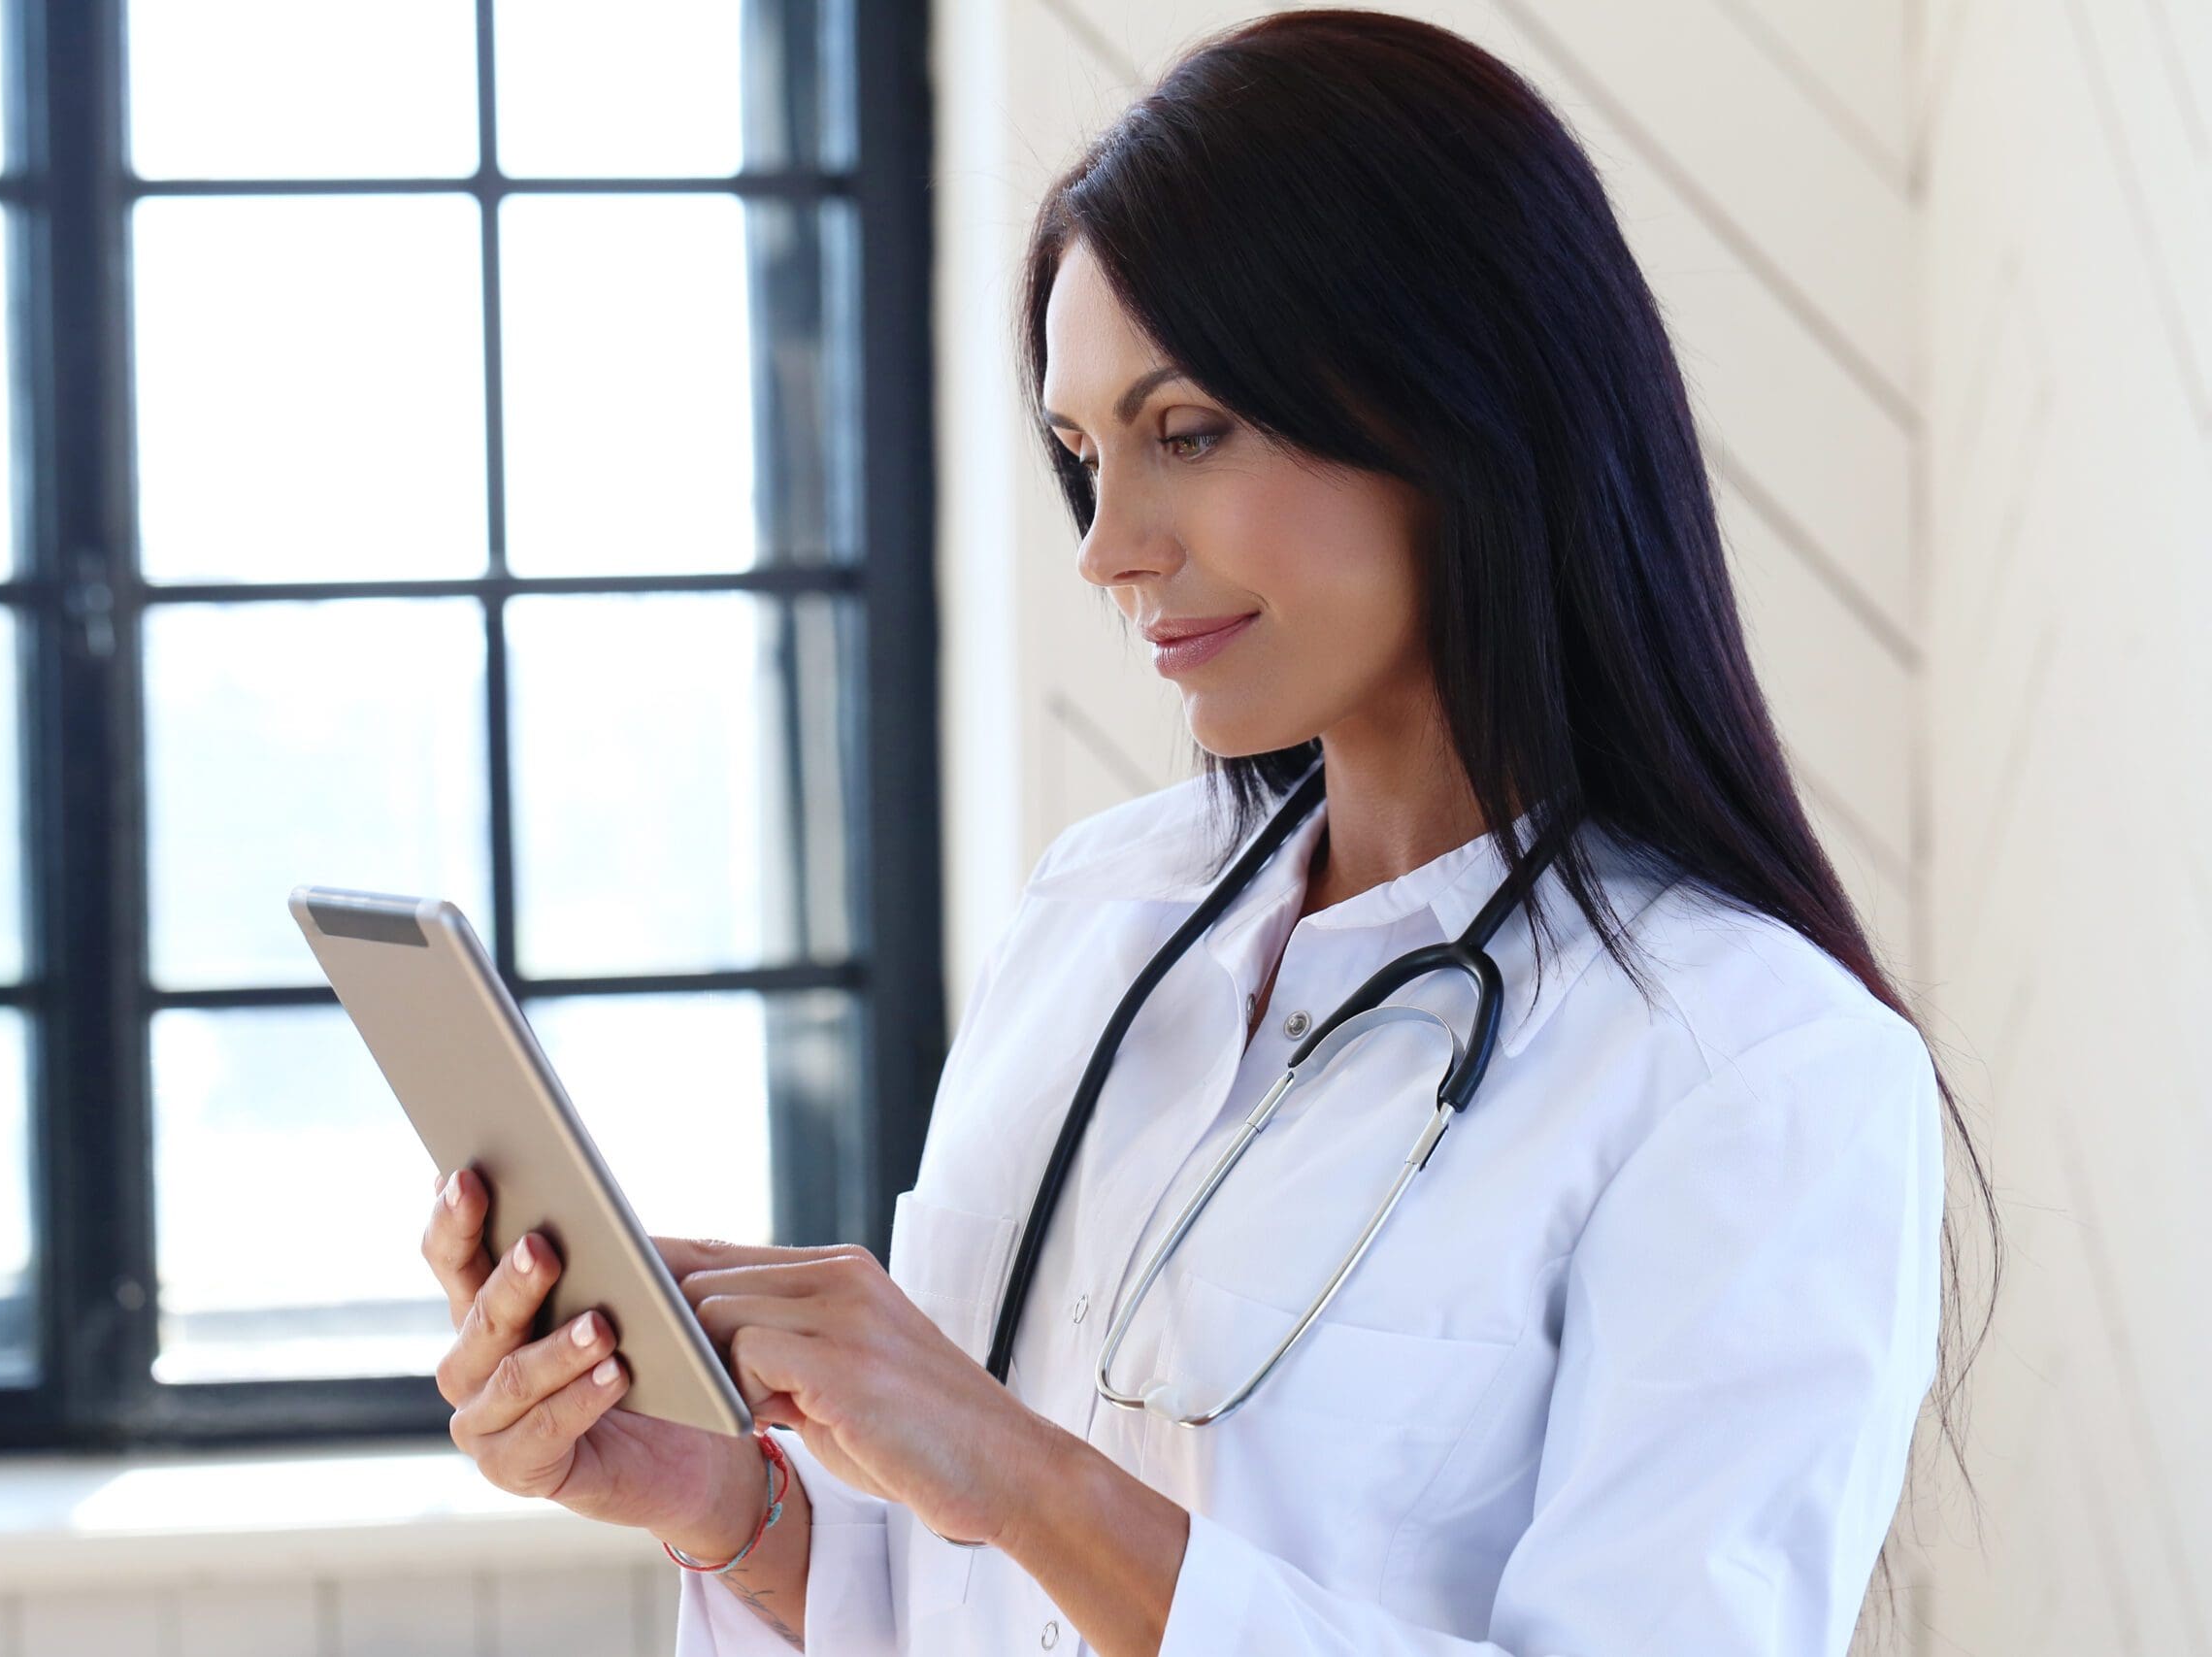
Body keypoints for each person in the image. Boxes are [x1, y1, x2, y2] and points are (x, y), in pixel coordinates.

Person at [417, 11, 1996, 1654]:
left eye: (1188, 434)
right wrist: (731, 1511)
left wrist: (1028, 1478)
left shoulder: (1754, 1071)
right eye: (1085, 456)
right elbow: (947, 1613)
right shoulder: (1100, 914)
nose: (1108, 548)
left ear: (1466, 405)